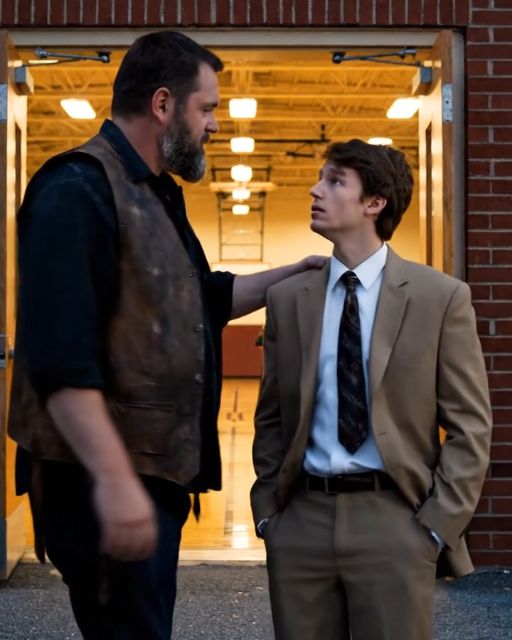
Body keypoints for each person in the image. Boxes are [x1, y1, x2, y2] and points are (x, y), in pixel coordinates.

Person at [8, 31, 325, 640]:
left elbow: (202, 297)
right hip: (101, 480)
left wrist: (294, 274)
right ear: (162, 105)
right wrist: (115, 482)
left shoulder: (153, 193)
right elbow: (60, 360)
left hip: (147, 473)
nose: (214, 125)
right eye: (207, 108)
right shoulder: (77, 189)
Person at [251, 139, 492, 640]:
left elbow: (470, 426)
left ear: (375, 203)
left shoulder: (440, 298)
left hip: (395, 522)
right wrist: (269, 514)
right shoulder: (288, 299)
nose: (316, 190)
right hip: (301, 524)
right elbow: (271, 416)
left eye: (335, 181)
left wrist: (435, 526)